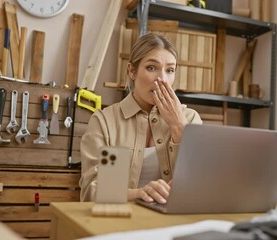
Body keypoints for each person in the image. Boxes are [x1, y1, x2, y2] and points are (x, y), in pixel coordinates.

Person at [79, 32, 202, 204]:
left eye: (170, 70)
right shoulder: (107, 122)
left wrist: (178, 126)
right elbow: (94, 191)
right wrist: (139, 193)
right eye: (151, 68)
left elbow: (202, 186)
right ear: (132, 71)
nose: (162, 80)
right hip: (122, 223)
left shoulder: (190, 118)